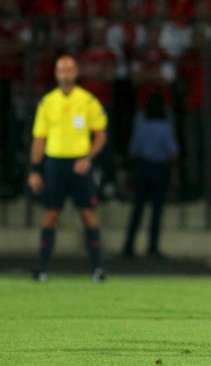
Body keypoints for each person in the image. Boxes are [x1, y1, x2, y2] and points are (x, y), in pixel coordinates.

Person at [28, 55, 108, 282]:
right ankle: (42, 268)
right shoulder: (47, 102)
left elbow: (101, 134)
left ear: (76, 72)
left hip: (79, 165)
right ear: (56, 73)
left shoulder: (87, 100)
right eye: (61, 70)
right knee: (50, 215)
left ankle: (98, 269)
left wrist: (88, 157)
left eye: (69, 69)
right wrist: (35, 169)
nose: (65, 73)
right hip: (54, 164)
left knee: (89, 215)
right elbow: (39, 139)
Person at [121, 93, 179, 258]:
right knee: (156, 211)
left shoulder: (141, 125)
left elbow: (133, 150)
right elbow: (173, 152)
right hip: (160, 169)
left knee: (137, 209)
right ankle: (152, 248)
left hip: (142, 167)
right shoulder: (165, 127)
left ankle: (128, 246)